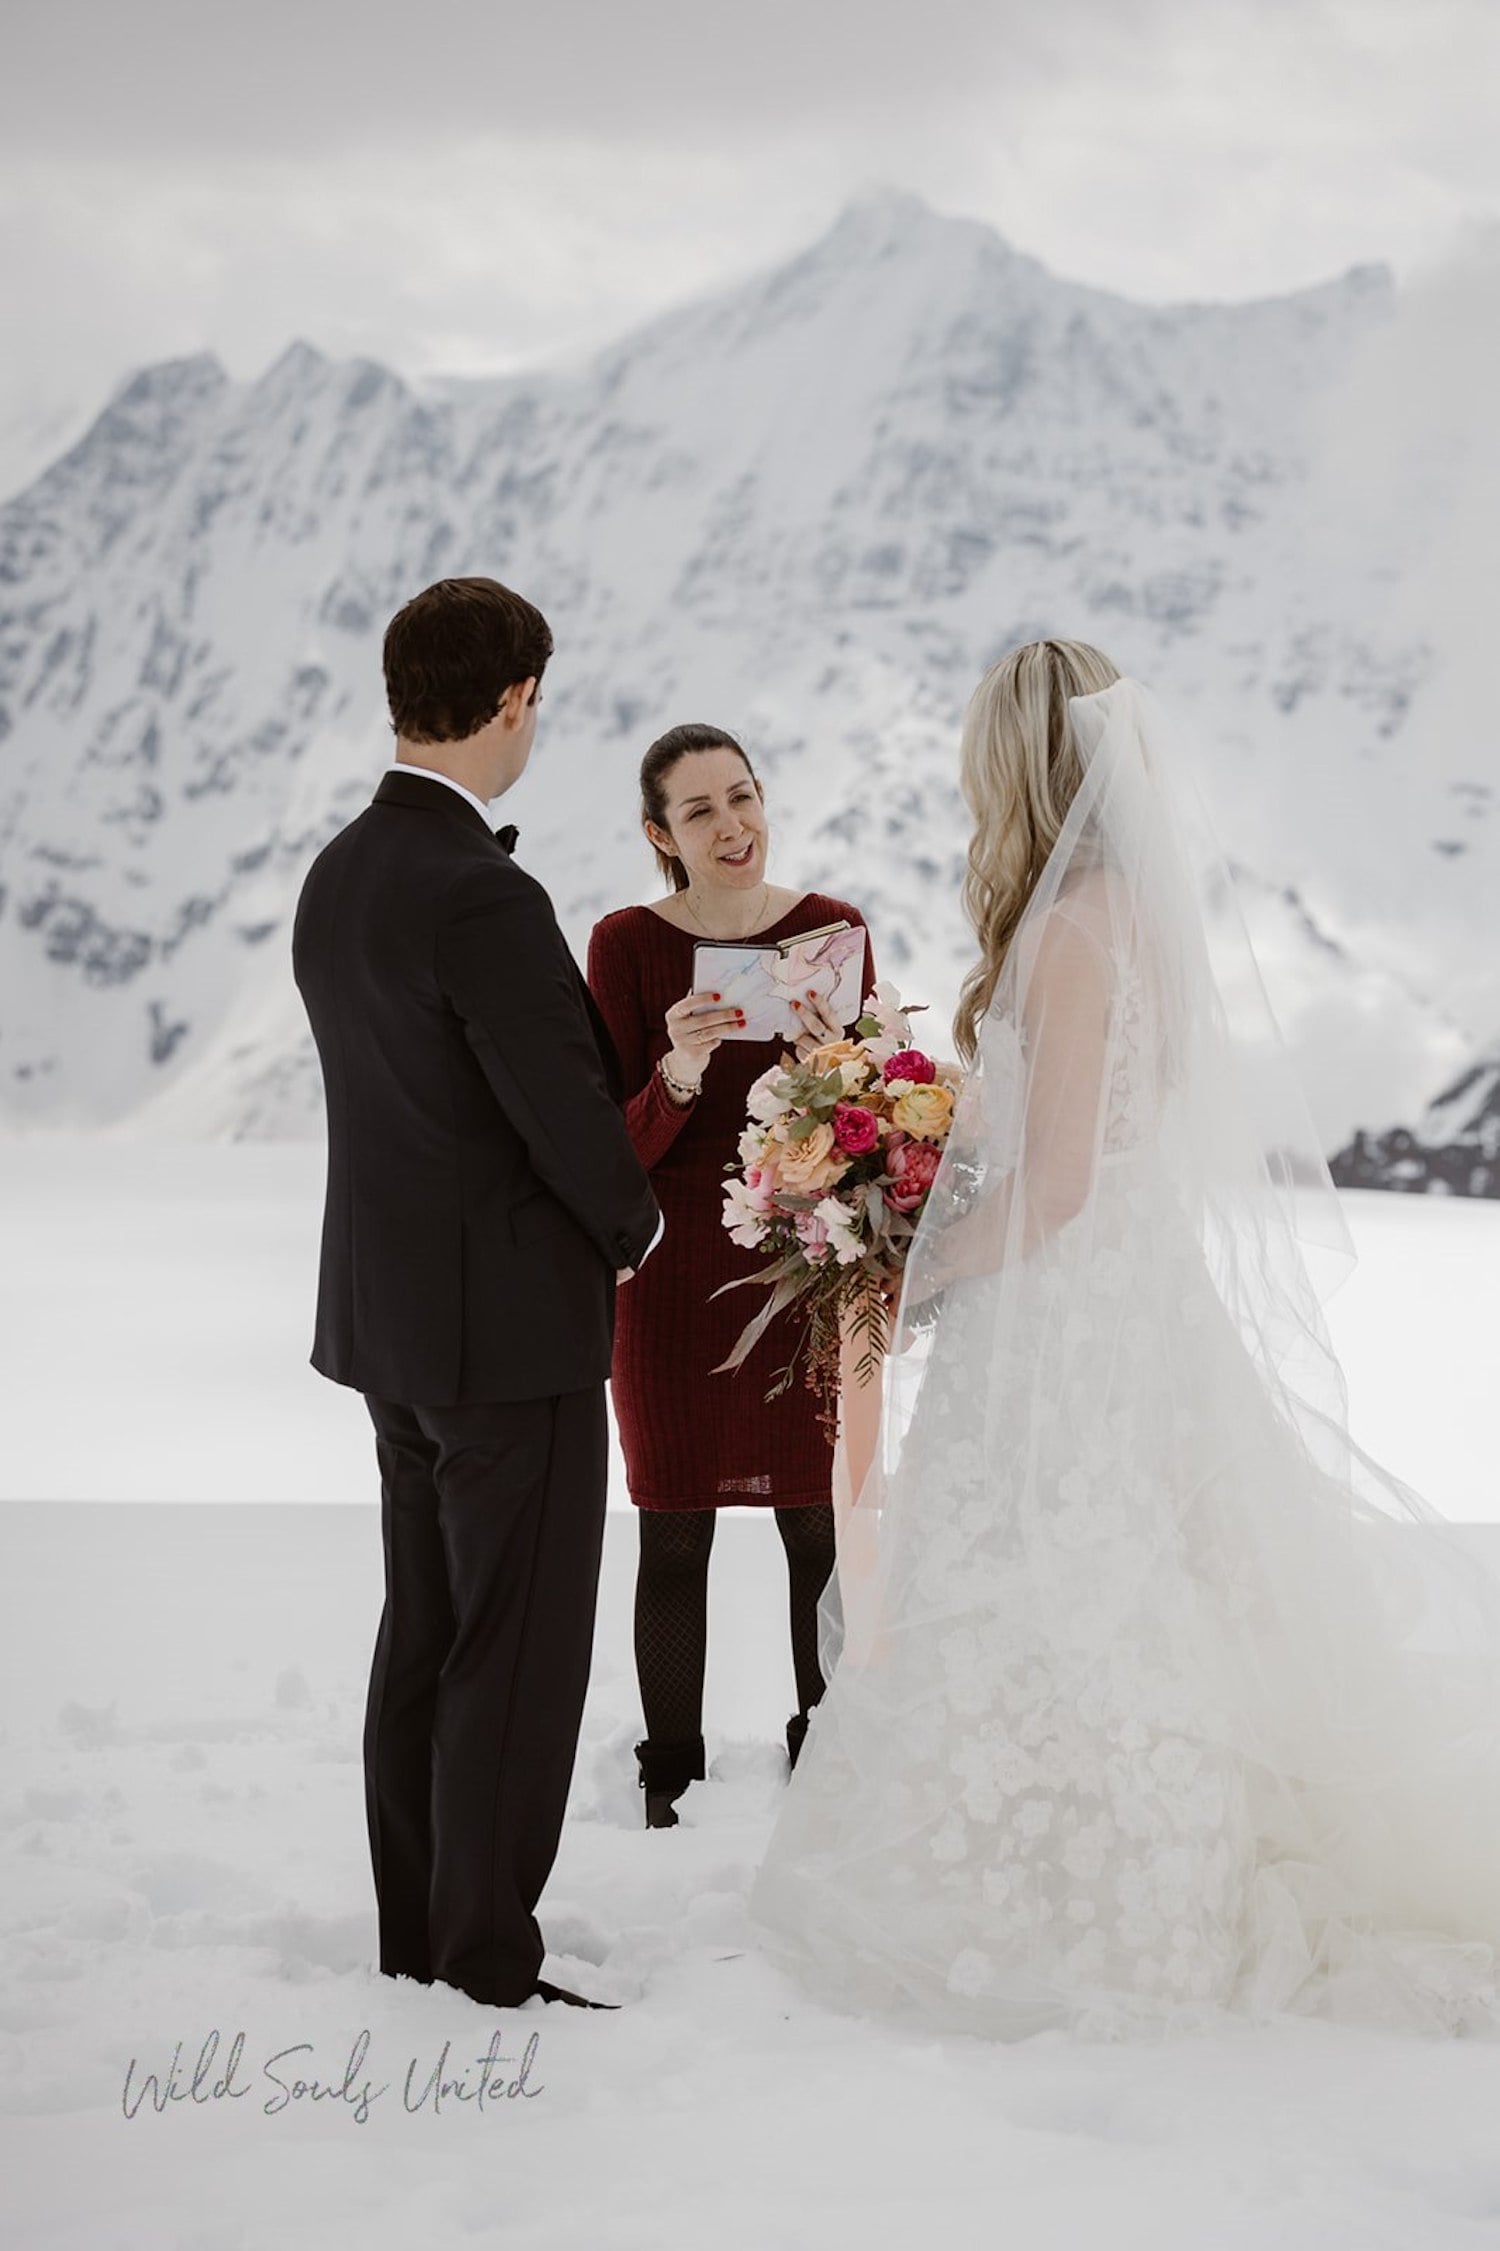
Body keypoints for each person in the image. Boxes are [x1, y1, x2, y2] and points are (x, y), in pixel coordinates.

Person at [750, 638, 1500, 2039]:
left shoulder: (1071, 928)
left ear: (1016, 763)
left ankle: (1084, 1891)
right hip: (1131, 1298)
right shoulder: (1134, 914)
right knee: (1151, 1580)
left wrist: (924, 1271)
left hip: (1069, 1316)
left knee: (1064, 1578)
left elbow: (1065, 1176)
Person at [292, 576, 660, 2011]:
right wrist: (634, 1232)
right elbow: (562, 1112)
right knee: (514, 1650)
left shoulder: (341, 870)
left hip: (393, 1327)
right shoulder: (482, 891)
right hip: (511, 1332)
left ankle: (420, 1934)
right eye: (537, 704)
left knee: (429, 1634)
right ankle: (489, 1955)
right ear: (512, 699)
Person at [587, 724, 876, 1826]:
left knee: (816, 1525)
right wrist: (679, 1069)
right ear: (661, 834)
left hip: (801, 1269)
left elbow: (865, 1127)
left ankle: (827, 1756)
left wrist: (827, 1067)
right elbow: (611, 1150)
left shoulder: (834, 931)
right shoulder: (624, 946)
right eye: (700, 809)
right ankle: (669, 1774)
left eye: (743, 796)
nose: (732, 824)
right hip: (664, 1279)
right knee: (672, 1527)